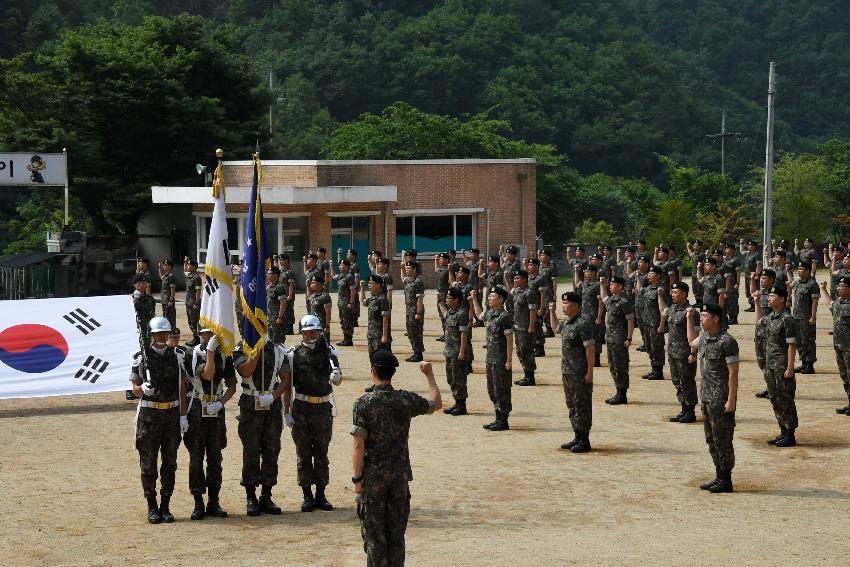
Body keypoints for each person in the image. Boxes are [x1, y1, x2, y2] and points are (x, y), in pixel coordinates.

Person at [351, 354, 442, 567]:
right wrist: (429, 375)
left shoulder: (363, 403)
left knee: (375, 537)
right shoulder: (405, 400)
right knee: (396, 535)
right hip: (399, 476)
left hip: (373, 478)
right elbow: (436, 403)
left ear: (373, 371)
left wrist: (357, 479)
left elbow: (358, 445)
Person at [130, 316, 188, 523]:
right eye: (158, 334)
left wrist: (183, 415)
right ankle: (151, 506)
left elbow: (182, 386)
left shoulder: (178, 356)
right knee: (148, 464)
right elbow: (134, 389)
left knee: (170, 464)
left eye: (165, 333)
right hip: (149, 416)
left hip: (171, 416)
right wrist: (143, 389)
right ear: (152, 335)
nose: (162, 337)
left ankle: (166, 505)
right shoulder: (141, 358)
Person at [281, 314, 342, 512]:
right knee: (304, 453)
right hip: (302, 408)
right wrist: (286, 411)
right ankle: (307, 495)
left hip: (323, 407)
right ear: (302, 333)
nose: (312, 335)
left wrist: (337, 377)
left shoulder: (329, 351)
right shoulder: (293, 354)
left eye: (315, 331)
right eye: (308, 332)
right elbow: (288, 385)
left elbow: (337, 379)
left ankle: (321, 494)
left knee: (322, 453)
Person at [686, 303, 739, 493]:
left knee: (723, 439)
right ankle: (718, 475)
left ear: (716, 318)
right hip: (706, 397)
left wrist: (731, 399)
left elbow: (733, 373)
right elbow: (691, 340)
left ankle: (726, 479)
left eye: (705, 315)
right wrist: (689, 319)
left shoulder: (727, 341)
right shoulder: (704, 339)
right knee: (711, 439)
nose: (702, 318)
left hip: (720, 398)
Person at [185, 328, 237, 520]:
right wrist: (211, 352)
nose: (211, 337)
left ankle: (213, 501)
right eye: (207, 334)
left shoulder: (225, 356)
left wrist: (220, 403)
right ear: (200, 334)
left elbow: (232, 385)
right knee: (196, 457)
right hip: (197, 409)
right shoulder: (192, 354)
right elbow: (207, 375)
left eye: (213, 334)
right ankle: (198, 502)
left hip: (215, 410)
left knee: (215, 457)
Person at [234, 339, 289, 515]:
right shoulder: (241, 348)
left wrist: (274, 396)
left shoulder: (278, 349)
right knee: (251, 452)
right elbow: (246, 370)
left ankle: (267, 495)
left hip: (271, 406)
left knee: (271, 451)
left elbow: (286, 378)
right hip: (251, 405)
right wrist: (255, 349)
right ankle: (251, 496)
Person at [549, 291, 595, 452]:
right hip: (567, 371)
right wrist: (552, 312)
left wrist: (590, 372)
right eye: (563, 303)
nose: (564, 306)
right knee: (572, 404)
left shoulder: (582, 323)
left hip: (579, 372)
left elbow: (590, 348)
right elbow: (555, 328)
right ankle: (577, 435)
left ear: (576, 306)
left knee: (581, 405)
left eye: (566, 303)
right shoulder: (567, 323)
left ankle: (584, 439)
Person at [761, 285, 800, 447]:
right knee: (774, 398)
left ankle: (790, 434)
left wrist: (790, 367)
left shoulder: (787, 319)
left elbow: (792, 345)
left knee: (785, 399)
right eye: (768, 295)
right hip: (770, 365)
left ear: (782, 299)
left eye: (772, 295)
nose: (769, 298)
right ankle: (783, 430)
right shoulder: (770, 318)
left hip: (782, 366)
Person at [472, 285, 514, 431]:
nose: (489, 298)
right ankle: (497, 417)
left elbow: (509, 339)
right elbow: (479, 315)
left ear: (501, 299)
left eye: (492, 296)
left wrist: (509, 360)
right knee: (492, 389)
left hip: (501, 360)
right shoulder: (490, 314)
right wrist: (474, 300)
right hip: (490, 359)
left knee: (502, 389)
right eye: (489, 296)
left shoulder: (505, 317)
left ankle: (503, 420)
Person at [661, 282, 697, 423]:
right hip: (673, 353)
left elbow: (696, 335)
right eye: (672, 292)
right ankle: (683, 408)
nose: (672, 295)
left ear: (684, 294)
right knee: (677, 382)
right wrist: (660, 297)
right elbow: (662, 311)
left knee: (687, 381)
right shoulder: (673, 309)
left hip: (685, 354)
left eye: (675, 292)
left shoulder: (691, 312)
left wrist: (693, 353)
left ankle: (690, 411)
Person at [599, 275, 634, 405]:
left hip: (620, 340)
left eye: (613, 285)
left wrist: (629, 338)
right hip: (610, 339)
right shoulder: (612, 300)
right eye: (611, 284)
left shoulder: (624, 302)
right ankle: (618, 391)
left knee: (620, 367)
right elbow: (603, 298)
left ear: (620, 287)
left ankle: (622, 394)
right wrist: (602, 285)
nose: (611, 286)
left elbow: (630, 320)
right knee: (613, 366)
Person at [821, 276, 850, 414]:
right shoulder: (838, 302)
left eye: (843, 286)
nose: (839, 288)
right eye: (839, 286)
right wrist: (824, 290)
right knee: (844, 375)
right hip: (839, 346)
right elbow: (829, 304)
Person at [442, 287, 470, 416]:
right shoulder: (450, 312)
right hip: (449, 351)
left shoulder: (461, 314)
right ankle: (456, 401)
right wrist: (439, 302)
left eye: (449, 298)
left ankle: (461, 405)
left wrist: (462, 352)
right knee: (451, 377)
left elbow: (464, 334)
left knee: (459, 378)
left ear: (457, 300)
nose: (447, 300)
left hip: (458, 351)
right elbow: (444, 314)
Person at [129, 273, 157, 401]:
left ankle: (144, 385)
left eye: (143, 283)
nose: (141, 285)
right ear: (134, 285)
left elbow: (148, 312)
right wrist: (134, 300)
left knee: (144, 358)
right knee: (133, 360)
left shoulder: (149, 299)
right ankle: (130, 389)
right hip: (132, 333)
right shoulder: (129, 299)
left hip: (145, 333)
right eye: (139, 283)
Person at [636, 265, 666, 381]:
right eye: (648, 274)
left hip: (655, 324)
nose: (649, 276)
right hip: (646, 323)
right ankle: (654, 369)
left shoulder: (661, 290)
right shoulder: (648, 289)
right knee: (649, 347)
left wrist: (662, 325)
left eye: (652, 274)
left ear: (658, 275)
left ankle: (658, 371)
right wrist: (638, 277)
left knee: (657, 347)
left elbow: (663, 310)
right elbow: (639, 290)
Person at [751, 269, 777, 399]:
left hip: (772, 333)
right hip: (760, 332)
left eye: (764, 278)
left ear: (772, 280)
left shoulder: (776, 294)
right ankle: (770, 387)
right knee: (763, 362)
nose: (761, 280)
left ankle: (775, 389)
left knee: (772, 362)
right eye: (761, 278)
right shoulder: (759, 293)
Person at [791, 261, 819, 374]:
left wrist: (813, 316)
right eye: (798, 268)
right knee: (799, 341)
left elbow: (815, 302)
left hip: (806, 317)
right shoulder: (797, 283)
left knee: (808, 340)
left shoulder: (812, 284)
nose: (799, 271)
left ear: (807, 270)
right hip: (796, 316)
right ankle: (803, 363)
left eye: (801, 269)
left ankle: (810, 365)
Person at [402, 260, 426, 362]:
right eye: (406, 268)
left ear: (414, 269)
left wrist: (419, 312)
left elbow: (420, 298)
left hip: (415, 310)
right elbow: (402, 278)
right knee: (410, 331)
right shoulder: (408, 281)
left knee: (416, 332)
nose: (406, 270)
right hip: (408, 310)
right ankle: (415, 351)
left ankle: (418, 353)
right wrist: (401, 267)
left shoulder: (418, 282)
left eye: (409, 268)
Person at [334, 259, 357, 347]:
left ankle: (349, 339)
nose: (340, 267)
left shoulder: (349, 276)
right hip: (341, 303)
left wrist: (351, 302)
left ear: (347, 267)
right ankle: (345, 338)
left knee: (347, 321)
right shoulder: (341, 276)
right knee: (343, 321)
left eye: (342, 265)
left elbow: (353, 290)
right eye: (339, 265)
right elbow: (332, 276)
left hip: (347, 302)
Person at [182, 258, 202, 347]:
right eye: (188, 265)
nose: (188, 267)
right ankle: (195, 338)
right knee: (190, 321)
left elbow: (198, 291)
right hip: (188, 302)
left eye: (189, 265)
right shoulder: (189, 275)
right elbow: (184, 270)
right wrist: (185, 262)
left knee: (194, 321)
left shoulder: (196, 277)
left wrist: (197, 303)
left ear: (194, 267)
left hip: (194, 303)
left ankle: (197, 339)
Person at [308, 273, 333, 343]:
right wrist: (307, 286)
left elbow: (328, 312)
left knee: (323, 345)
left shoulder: (325, 296)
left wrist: (327, 326)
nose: (311, 284)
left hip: (321, 325)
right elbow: (308, 298)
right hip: (313, 324)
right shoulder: (313, 295)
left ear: (319, 284)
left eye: (313, 283)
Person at [267, 266, 288, 345]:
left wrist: (280, 317)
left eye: (269, 274)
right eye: (267, 274)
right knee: (271, 341)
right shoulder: (268, 287)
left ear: (275, 275)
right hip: (270, 320)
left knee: (278, 342)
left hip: (277, 320)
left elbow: (283, 303)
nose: (267, 276)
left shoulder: (279, 287)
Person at [277, 254, 297, 335]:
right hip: (281, 295)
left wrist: (290, 295)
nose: (280, 261)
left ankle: (289, 328)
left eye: (282, 260)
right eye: (279, 260)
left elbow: (291, 284)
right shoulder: (280, 271)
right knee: (282, 311)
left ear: (286, 260)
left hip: (288, 295)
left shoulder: (290, 272)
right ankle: (283, 327)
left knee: (289, 311)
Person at [158, 259, 177, 330]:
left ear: (170, 266)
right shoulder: (165, 276)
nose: (163, 266)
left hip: (168, 300)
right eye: (163, 264)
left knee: (170, 317)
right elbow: (161, 277)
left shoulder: (171, 276)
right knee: (165, 316)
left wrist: (171, 300)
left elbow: (173, 289)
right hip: (164, 300)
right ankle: (168, 332)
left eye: (165, 265)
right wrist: (159, 268)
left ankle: (172, 332)